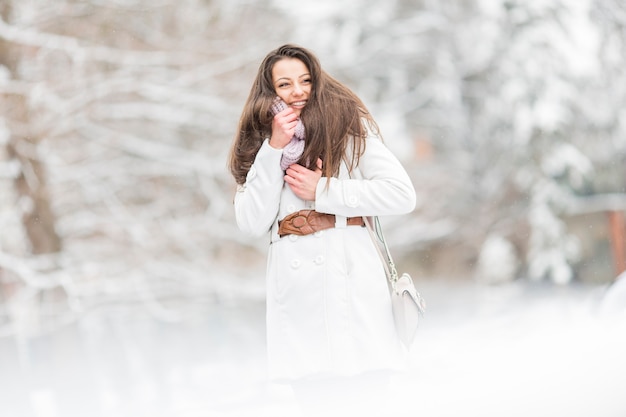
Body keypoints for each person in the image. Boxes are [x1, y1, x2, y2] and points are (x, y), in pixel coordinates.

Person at [228, 44, 416, 416]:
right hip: (300, 300)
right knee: (316, 401)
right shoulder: (257, 145)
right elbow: (251, 222)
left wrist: (324, 191)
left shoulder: (347, 128)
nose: (297, 91)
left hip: (354, 284)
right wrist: (273, 149)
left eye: (305, 80)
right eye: (285, 84)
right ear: (270, 92)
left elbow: (402, 195)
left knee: (367, 398)